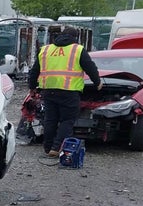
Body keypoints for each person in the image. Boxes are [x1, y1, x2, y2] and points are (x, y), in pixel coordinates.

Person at [27, 26, 103, 157]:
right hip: (69, 91)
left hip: (48, 91)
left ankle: (48, 147)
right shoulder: (77, 49)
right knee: (67, 120)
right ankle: (56, 148)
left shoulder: (45, 49)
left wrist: (32, 87)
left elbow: (34, 71)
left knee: (50, 120)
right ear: (76, 37)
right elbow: (90, 68)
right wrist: (97, 83)